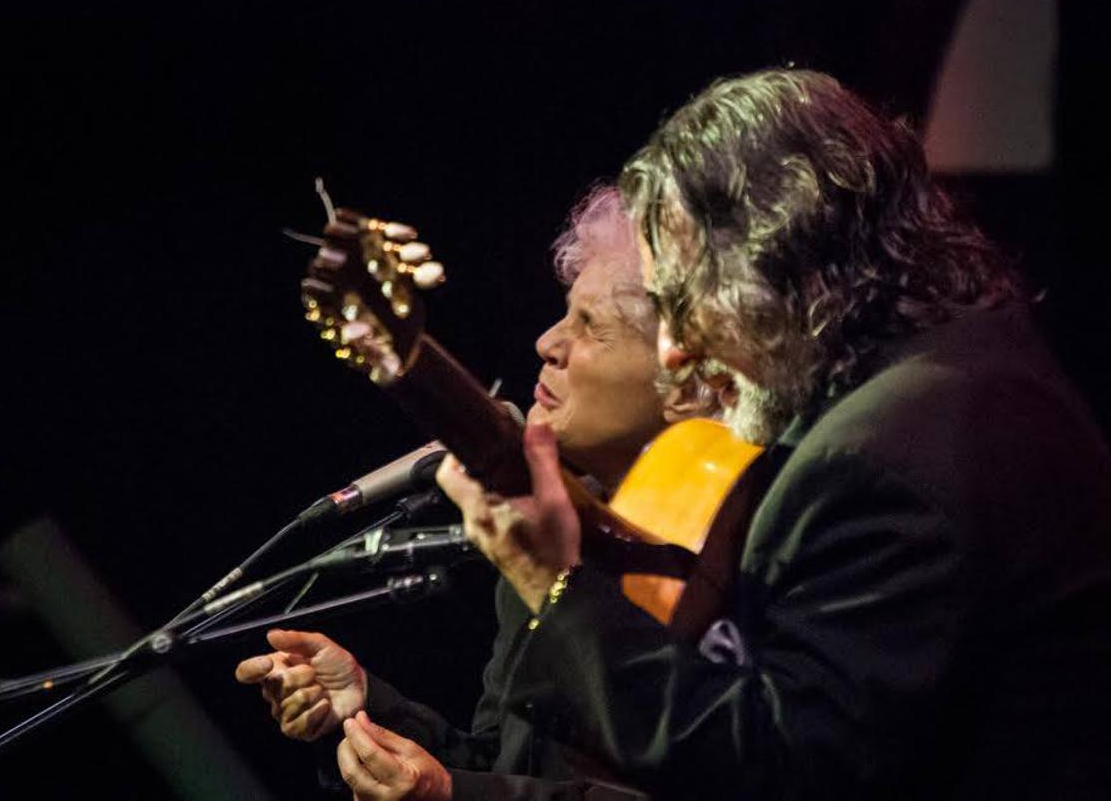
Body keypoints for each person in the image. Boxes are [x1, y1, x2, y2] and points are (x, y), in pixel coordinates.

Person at [435, 69, 1111, 800]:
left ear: (770, 262)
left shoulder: (877, 463)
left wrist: (551, 583)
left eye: (687, 302)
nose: (676, 351)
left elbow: (782, 773)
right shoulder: (970, 364)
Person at [236, 186, 707, 800]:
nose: (548, 342)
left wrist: (454, 794)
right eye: (565, 310)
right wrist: (367, 711)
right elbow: (507, 762)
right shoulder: (544, 532)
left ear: (687, 377)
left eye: (590, 326)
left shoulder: (737, 553)